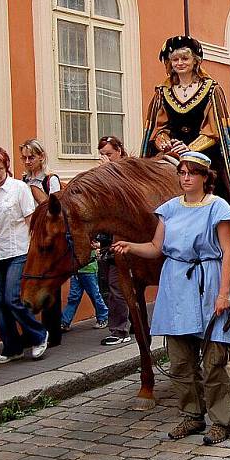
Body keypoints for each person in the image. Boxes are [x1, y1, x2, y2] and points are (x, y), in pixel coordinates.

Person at [113, 151, 230, 444]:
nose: (185, 178)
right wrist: (130, 247)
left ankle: (221, 420)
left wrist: (223, 294)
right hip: (176, 288)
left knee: (213, 362)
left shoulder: (217, 208)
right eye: (181, 173)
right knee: (180, 362)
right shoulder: (169, 209)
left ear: (204, 177)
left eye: (191, 173)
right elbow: (157, 248)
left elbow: (227, 253)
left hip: (207, 284)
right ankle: (192, 416)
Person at [141, 35, 230, 259]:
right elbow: (158, 126)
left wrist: (190, 149)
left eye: (185, 58)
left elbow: (214, 129)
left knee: (221, 181)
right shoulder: (162, 92)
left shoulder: (211, 90)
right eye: (175, 59)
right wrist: (165, 142)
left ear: (195, 61)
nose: (180, 63)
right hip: (172, 150)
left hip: (204, 149)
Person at [0, 147, 48, 364]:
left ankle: (39, 335)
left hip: (19, 250)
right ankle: (11, 347)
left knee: (12, 298)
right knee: (0, 304)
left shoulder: (19, 188)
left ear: (6, 167)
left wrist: (36, 249)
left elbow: (30, 220)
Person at [19, 139, 63, 347]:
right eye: (25, 158)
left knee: (50, 284)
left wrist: (34, 189)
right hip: (30, 235)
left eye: (31, 157)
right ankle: (33, 331)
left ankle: (53, 331)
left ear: (41, 157)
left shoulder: (49, 179)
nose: (28, 162)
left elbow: (52, 207)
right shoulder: (22, 180)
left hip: (48, 236)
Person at [95, 136, 131, 344]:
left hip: (124, 239)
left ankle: (119, 330)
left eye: (109, 154)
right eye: (102, 155)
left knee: (117, 285)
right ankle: (134, 323)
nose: (105, 159)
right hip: (107, 238)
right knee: (108, 284)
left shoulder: (125, 172)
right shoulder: (103, 176)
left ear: (119, 151)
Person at [60, 246, 110, 333]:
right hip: (76, 270)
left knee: (94, 295)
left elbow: (97, 244)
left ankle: (103, 317)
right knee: (74, 297)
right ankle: (65, 322)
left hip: (88, 269)